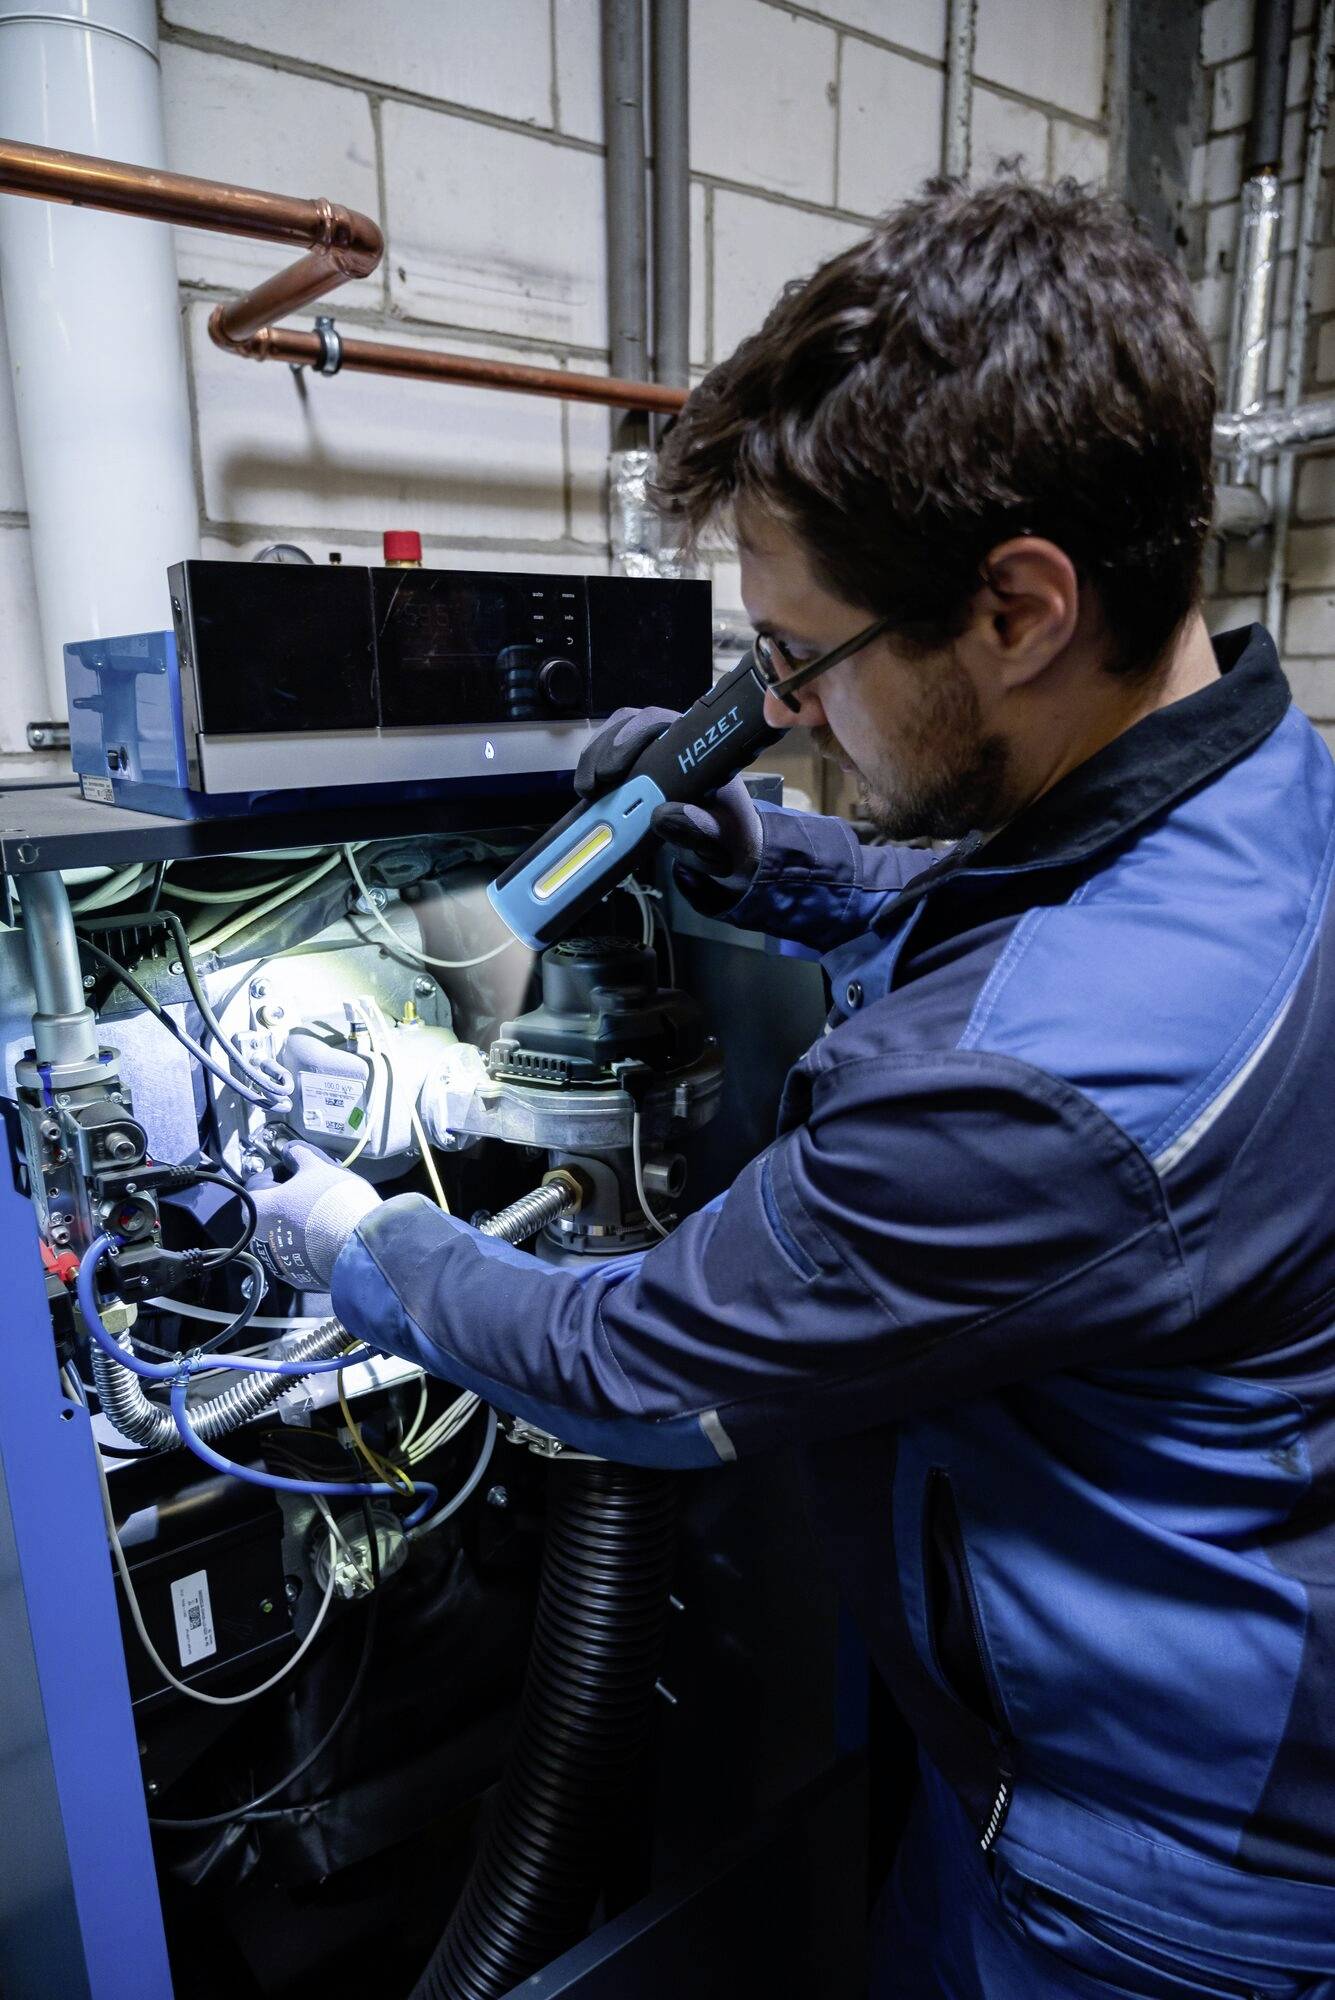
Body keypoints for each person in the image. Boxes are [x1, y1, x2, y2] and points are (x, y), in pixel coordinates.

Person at [252, 180, 1335, 1998]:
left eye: (800, 660)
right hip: (1140, 1752)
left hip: (1143, 1889)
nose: (783, 709)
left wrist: (367, 1254)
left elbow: (632, 1366)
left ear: (1018, 609)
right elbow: (1018, 906)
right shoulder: (1262, 800)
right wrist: (763, 863)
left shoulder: (1039, 1092)